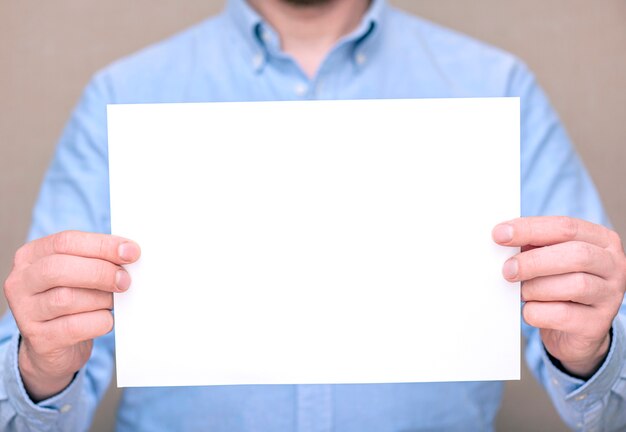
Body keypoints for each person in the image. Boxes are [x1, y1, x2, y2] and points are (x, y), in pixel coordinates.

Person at [1, 0, 626, 430]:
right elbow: (45, 407)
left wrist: (590, 351)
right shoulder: (121, 95)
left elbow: (607, 409)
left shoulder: (498, 86)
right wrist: (40, 366)